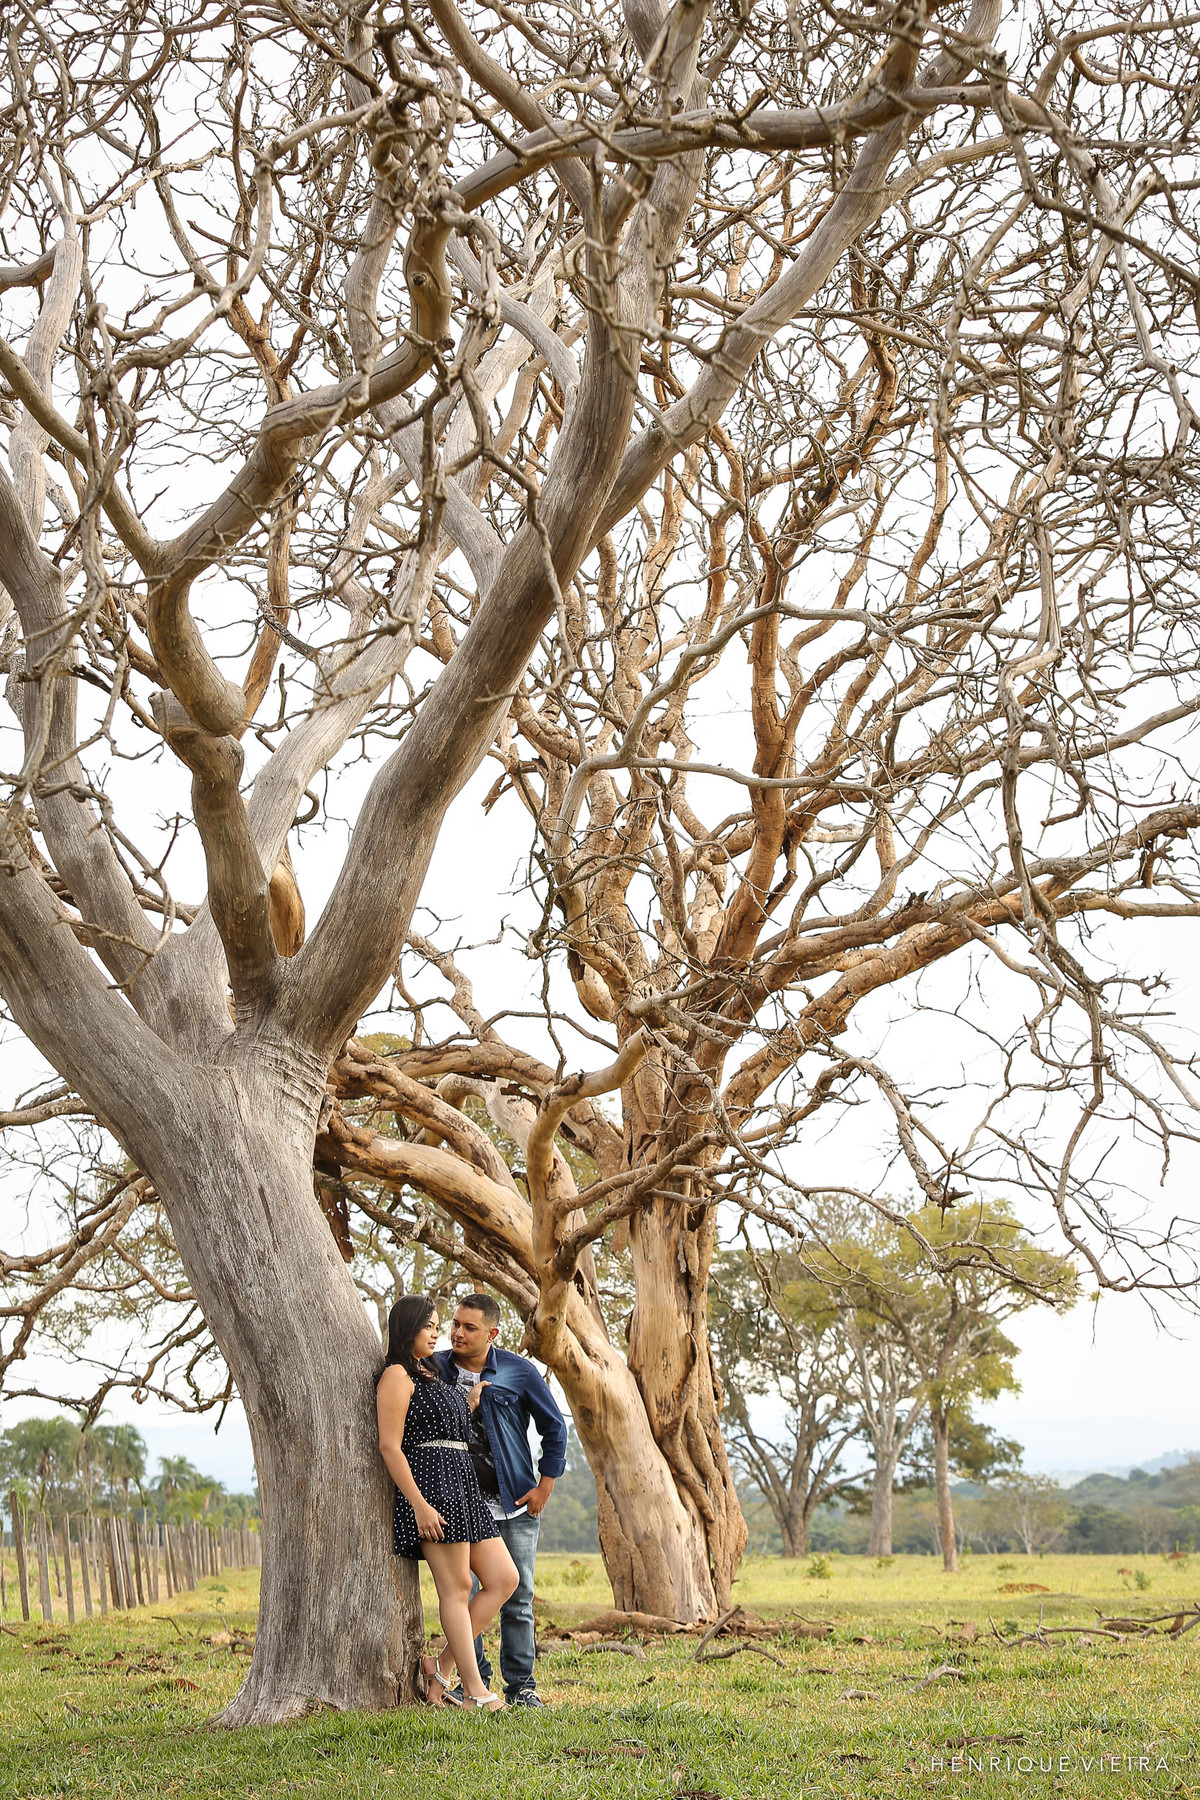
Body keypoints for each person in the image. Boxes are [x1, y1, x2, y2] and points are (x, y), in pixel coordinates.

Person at [376, 1294, 519, 1711]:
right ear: (408, 1329)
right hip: (432, 1489)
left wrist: (468, 1403)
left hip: (463, 1489)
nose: (439, 1332)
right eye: (430, 1326)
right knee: (457, 1587)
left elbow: (450, 1425)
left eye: (439, 1325)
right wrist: (419, 1505)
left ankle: (438, 1669)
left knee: (503, 1579)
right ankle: (475, 1690)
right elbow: (390, 1447)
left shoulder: (431, 1373)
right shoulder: (396, 1376)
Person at [432, 1292, 567, 1708]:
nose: (457, 1333)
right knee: (467, 1591)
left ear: (491, 1333)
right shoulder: (435, 1370)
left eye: (469, 1327)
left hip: (513, 1504)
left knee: (518, 1593)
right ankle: (475, 1677)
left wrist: (546, 1484)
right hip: (458, 1503)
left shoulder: (518, 1371)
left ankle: (521, 1685)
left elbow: (554, 1428)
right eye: (455, 1324)